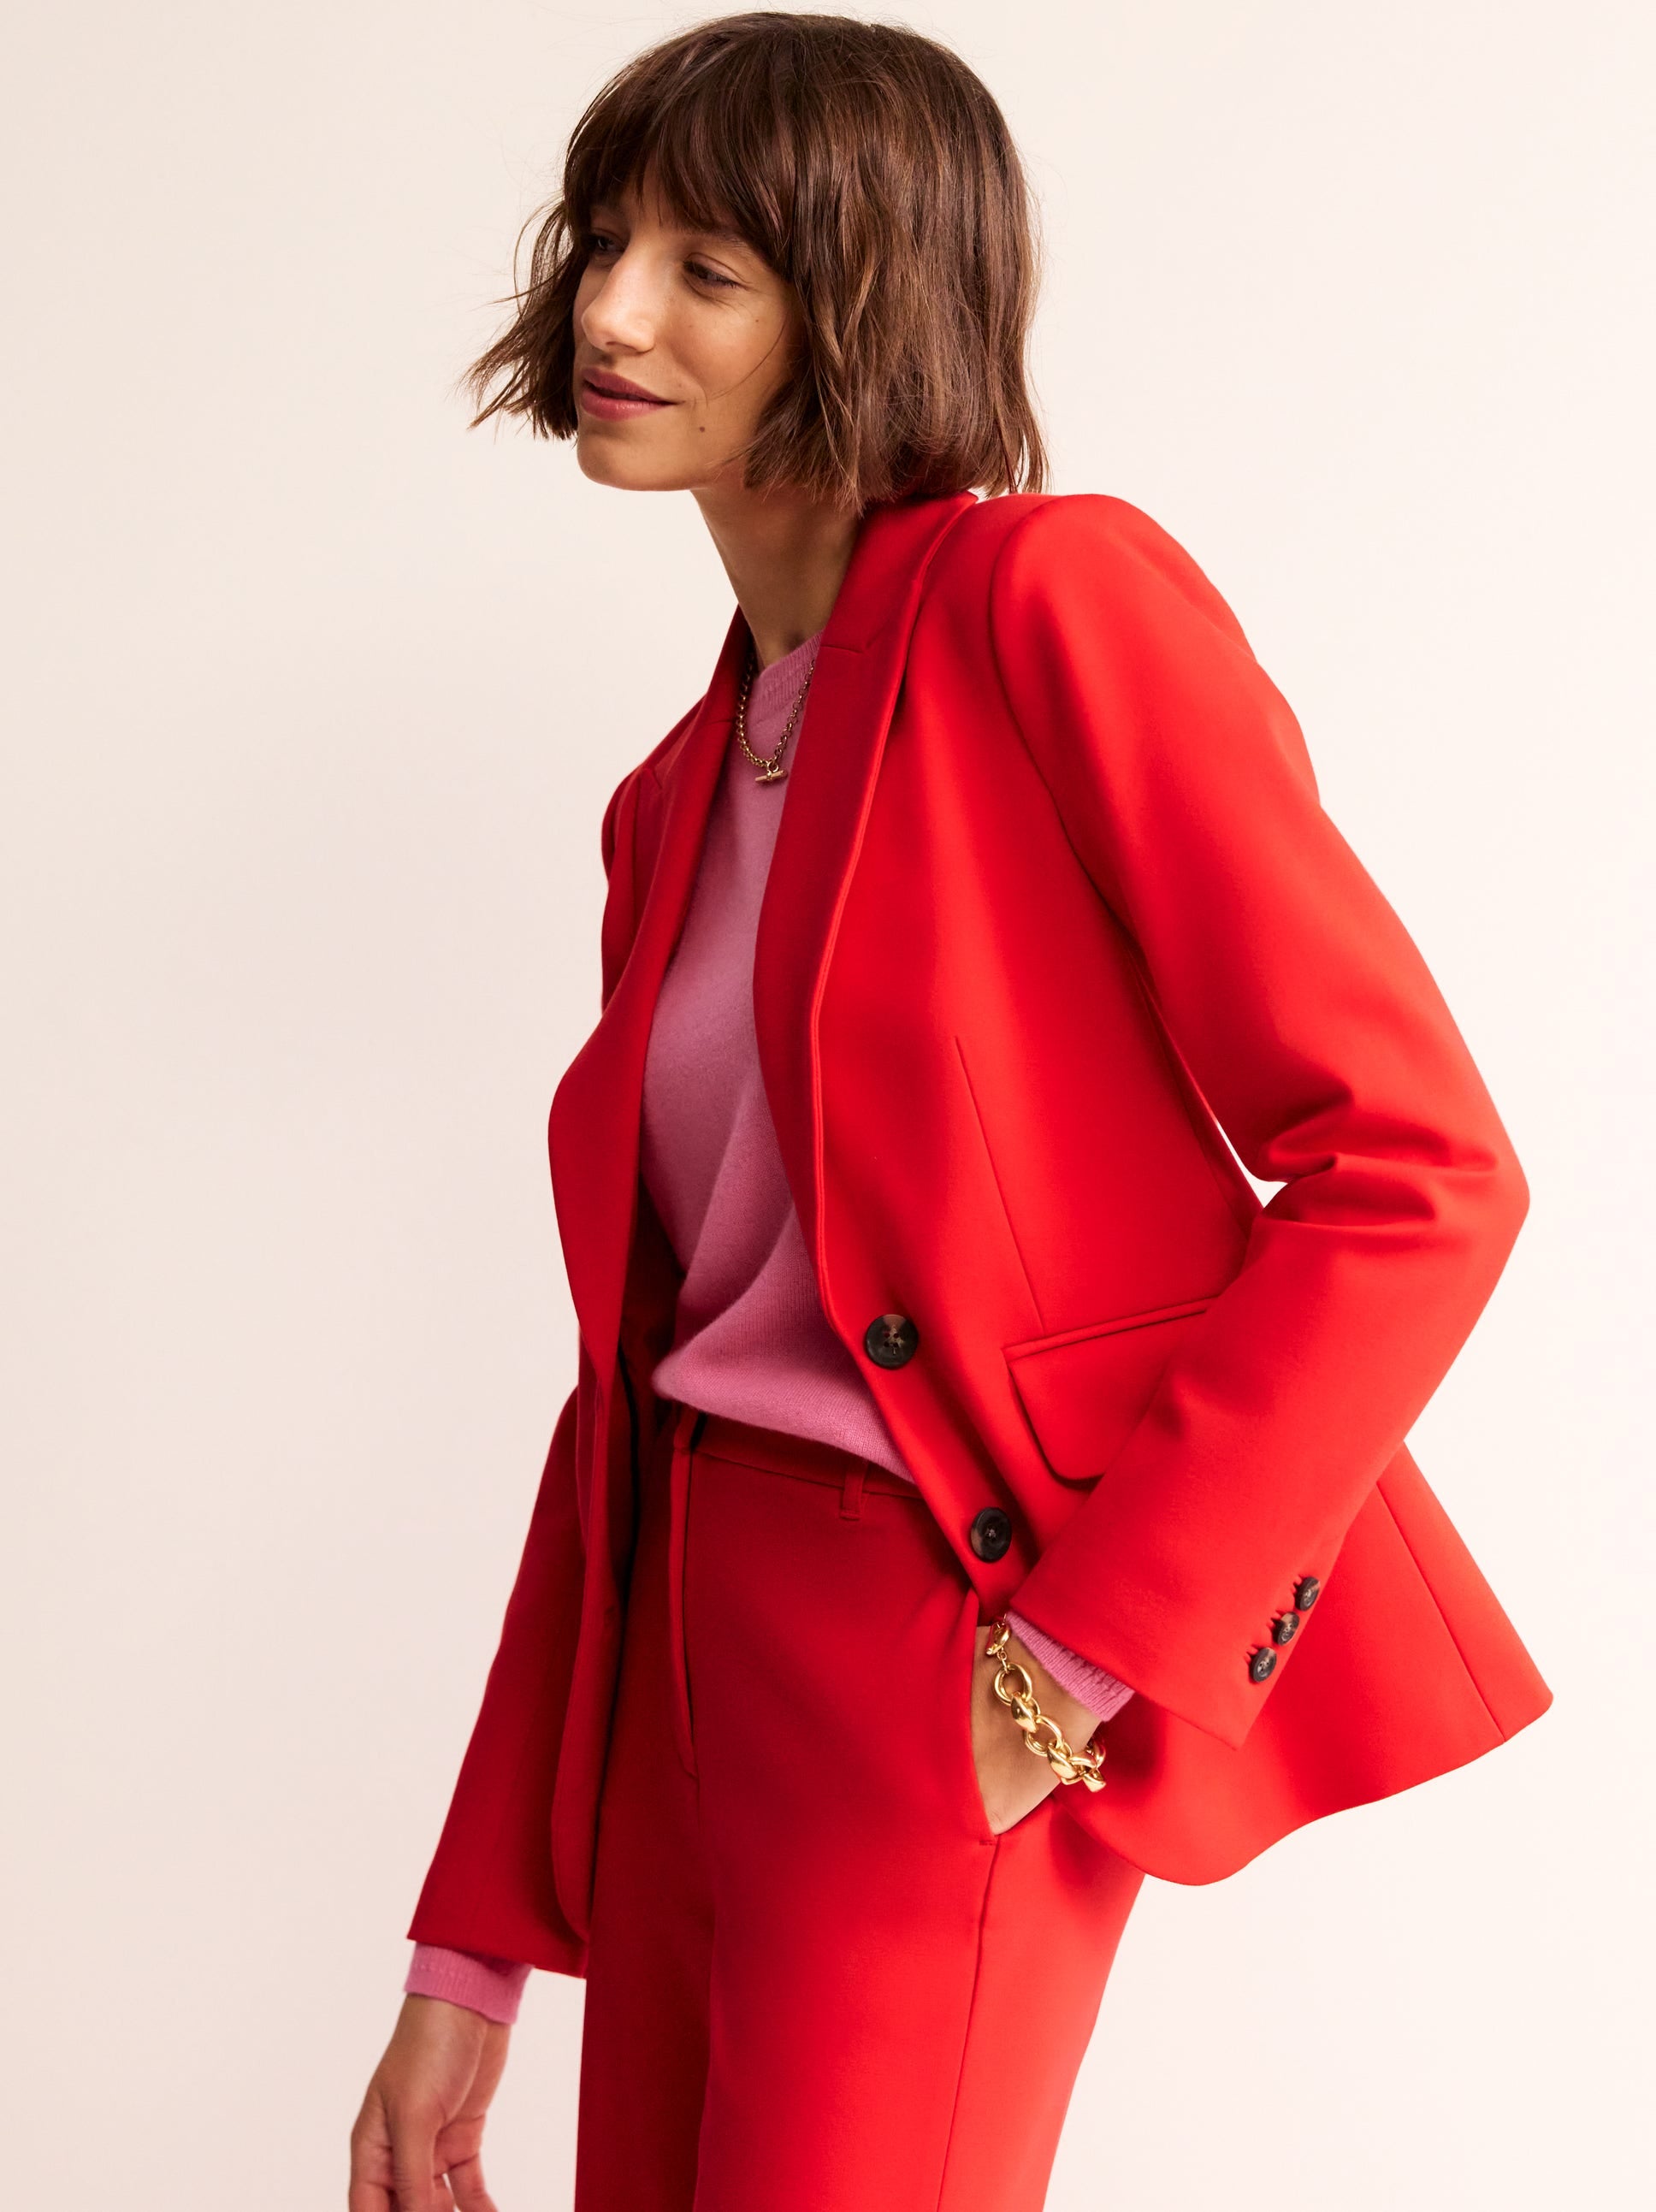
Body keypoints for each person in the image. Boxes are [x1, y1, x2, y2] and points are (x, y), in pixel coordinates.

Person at [347, 14, 1550, 2210]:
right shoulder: (669, 797)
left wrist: (1071, 1666)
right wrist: (472, 1948)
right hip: (678, 1660)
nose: (611, 310)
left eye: (706, 268)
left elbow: (1416, 1173)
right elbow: (619, 1392)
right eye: (606, 243)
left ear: (862, 303)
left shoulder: (1048, 603)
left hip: (931, 1645)